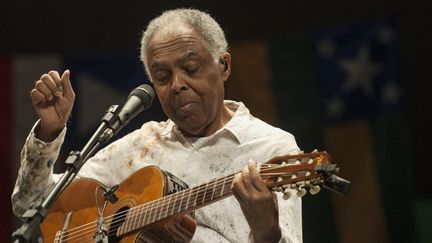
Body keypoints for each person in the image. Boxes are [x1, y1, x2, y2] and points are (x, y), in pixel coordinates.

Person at [12, 8, 302, 243]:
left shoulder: (272, 148)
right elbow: (31, 206)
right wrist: (48, 131)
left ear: (223, 65)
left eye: (191, 69)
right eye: (162, 77)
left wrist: (268, 234)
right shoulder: (141, 146)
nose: (177, 85)